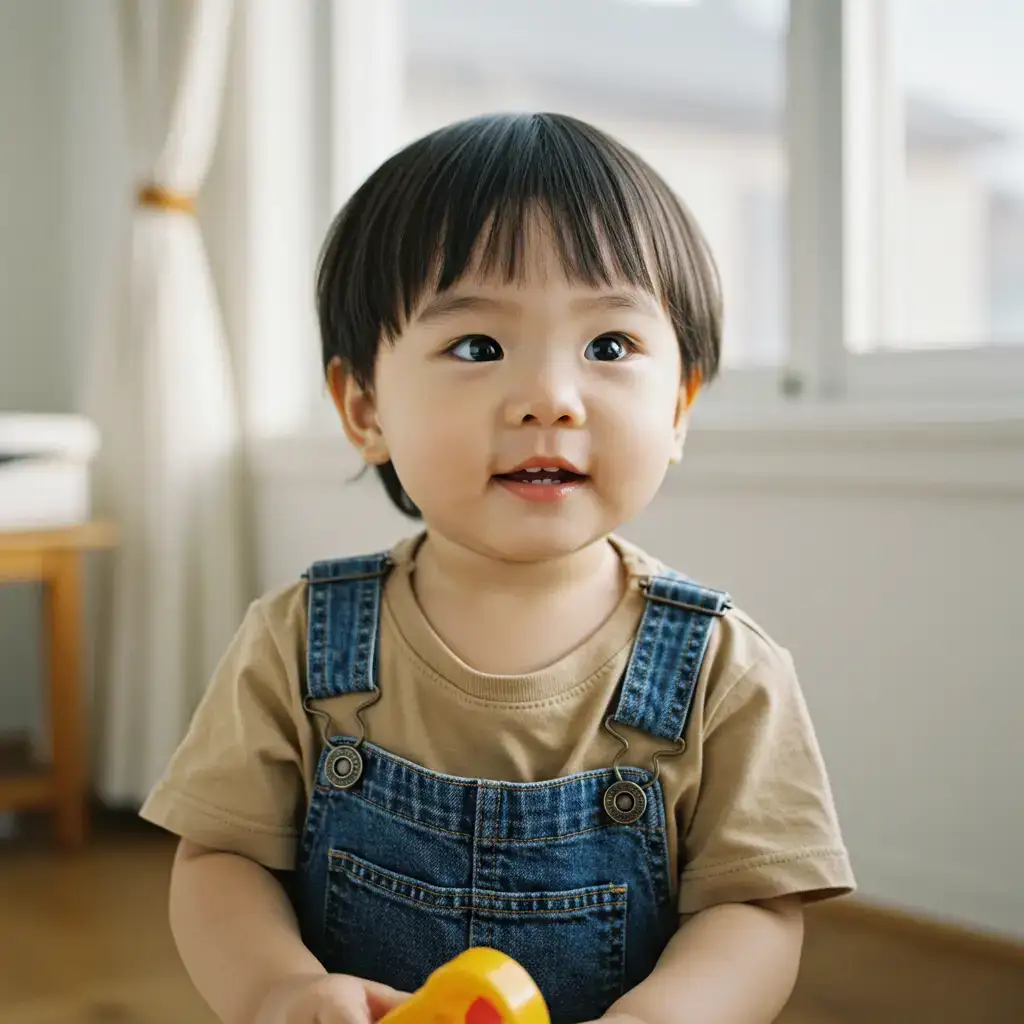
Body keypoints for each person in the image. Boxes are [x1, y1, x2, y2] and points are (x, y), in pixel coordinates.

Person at [141, 112, 855, 1024]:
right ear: (364, 408)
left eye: (609, 347)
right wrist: (279, 988)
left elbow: (754, 907)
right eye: (478, 347)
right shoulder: (296, 643)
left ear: (679, 406)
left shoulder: (724, 668)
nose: (550, 400)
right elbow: (220, 861)